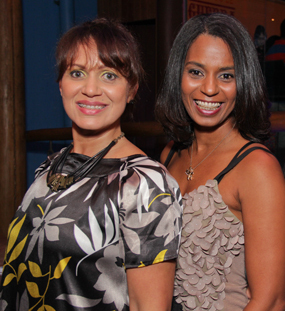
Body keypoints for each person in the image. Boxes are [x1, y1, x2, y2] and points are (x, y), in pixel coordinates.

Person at [0, 18, 182, 311]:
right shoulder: (51, 167)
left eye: (109, 75)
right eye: (77, 72)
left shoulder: (144, 183)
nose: (91, 89)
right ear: (61, 84)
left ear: (132, 89)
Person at [156, 13, 285, 311]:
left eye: (226, 75)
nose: (209, 88)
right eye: (196, 72)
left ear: (243, 82)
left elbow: (269, 302)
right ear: (178, 74)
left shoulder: (257, 168)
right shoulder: (169, 154)